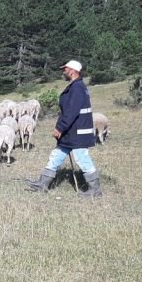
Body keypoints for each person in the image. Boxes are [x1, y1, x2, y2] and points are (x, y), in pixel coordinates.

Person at [25, 60, 102, 197]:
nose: (63, 72)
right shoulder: (75, 86)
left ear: (72, 70)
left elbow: (72, 110)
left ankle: (95, 190)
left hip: (77, 132)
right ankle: (43, 184)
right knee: (56, 156)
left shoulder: (77, 87)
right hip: (71, 132)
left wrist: (60, 128)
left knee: (82, 158)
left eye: (65, 69)